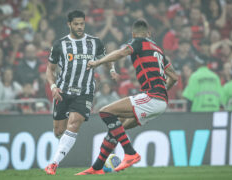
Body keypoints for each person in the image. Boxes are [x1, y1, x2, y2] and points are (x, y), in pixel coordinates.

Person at [76, 19, 178, 175]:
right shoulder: (158, 49)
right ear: (149, 33)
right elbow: (174, 77)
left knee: (105, 112)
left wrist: (98, 62)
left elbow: (122, 52)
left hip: (152, 98)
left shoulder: (138, 42)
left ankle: (130, 153)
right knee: (117, 129)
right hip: (159, 101)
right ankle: (96, 168)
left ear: (133, 34)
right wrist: (163, 91)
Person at [44, 10, 116, 175]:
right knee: (59, 131)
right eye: (76, 24)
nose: (79, 27)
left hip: (85, 92)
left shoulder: (94, 42)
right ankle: (59, 152)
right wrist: (53, 87)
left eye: (82, 23)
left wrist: (112, 69)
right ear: (69, 24)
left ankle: (53, 164)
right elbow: (50, 69)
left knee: (75, 122)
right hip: (63, 91)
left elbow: (105, 59)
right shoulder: (59, 44)